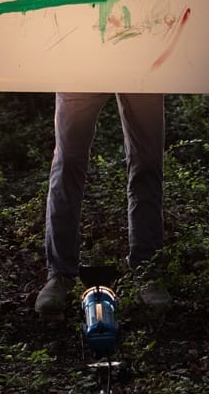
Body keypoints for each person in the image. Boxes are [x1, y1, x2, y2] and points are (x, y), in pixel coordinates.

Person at [34, 92, 171, 315]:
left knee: (147, 162)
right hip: (81, 64)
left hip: (141, 64)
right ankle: (59, 274)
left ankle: (147, 271)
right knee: (68, 162)